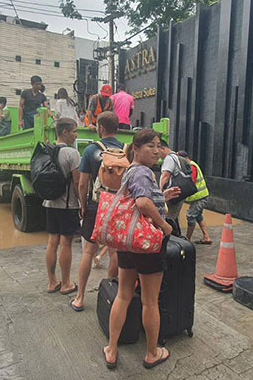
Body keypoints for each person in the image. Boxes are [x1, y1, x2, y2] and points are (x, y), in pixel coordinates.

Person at [103, 129, 178, 370]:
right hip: (147, 243)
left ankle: (112, 349)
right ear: (136, 149)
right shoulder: (143, 172)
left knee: (123, 295)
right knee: (149, 301)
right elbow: (142, 202)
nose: (156, 151)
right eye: (150, 147)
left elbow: (144, 200)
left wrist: (161, 196)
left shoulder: (131, 172)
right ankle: (152, 353)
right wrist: (165, 225)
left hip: (129, 240)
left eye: (158, 146)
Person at [70, 112, 122, 312]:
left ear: (100, 127)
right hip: (117, 206)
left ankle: (80, 297)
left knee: (88, 252)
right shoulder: (125, 150)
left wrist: (83, 206)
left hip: (96, 206)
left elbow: (83, 183)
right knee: (115, 251)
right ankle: (110, 292)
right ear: (117, 127)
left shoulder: (91, 150)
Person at [43, 117, 81, 295]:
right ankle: (66, 283)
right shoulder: (72, 154)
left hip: (49, 203)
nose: (76, 135)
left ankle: (52, 282)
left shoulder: (47, 151)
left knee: (52, 242)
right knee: (66, 243)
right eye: (74, 131)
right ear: (64, 132)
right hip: (67, 205)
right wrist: (81, 203)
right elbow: (77, 183)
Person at [177, 151, 212, 244]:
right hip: (199, 196)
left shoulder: (191, 166)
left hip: (199, 196)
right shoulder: (191, 165)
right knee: (198, 216)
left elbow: (190, 181)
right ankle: (206, 237)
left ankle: (187, 239)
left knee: (191, 216)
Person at [159, 141, 186, 235]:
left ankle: (173, 242)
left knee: (169, 218)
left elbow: (165, 176)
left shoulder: (169, 159)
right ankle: (178, 239)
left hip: (171, 193)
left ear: (162, 148)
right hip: (179, 193)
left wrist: (160, 192)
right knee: (174, 218)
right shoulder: (177, 157)